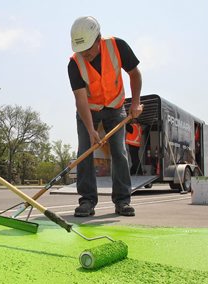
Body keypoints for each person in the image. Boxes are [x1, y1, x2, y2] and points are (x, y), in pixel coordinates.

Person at [68, 16, 143, 217]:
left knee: (119, 152)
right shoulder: (74, 64)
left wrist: (134, 103)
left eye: (89, 50)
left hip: (115, 107)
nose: (86, 55)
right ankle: (87, 200)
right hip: (89, 110)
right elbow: (81, 100)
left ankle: (122, 200)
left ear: (98, 38)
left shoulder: (117, 46)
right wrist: (91, 130)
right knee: (85, 151)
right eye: (81, 51)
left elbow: (135, 74)